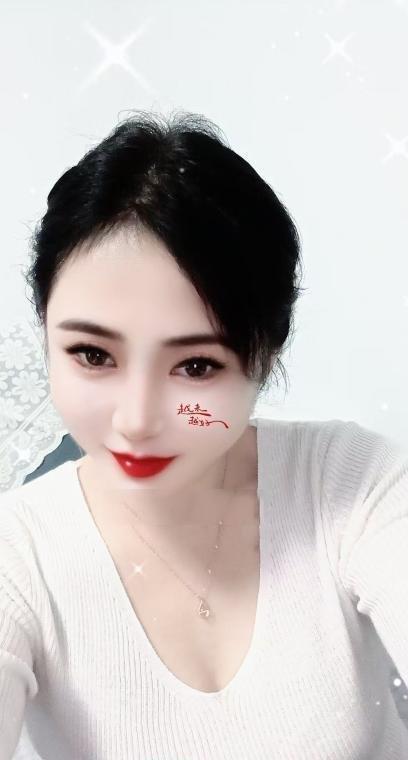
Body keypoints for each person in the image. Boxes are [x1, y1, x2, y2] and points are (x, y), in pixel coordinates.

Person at [0, 110, 407, 759]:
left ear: (264, 356)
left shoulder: (351, 484)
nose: (136, 420)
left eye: (195, 366)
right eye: (93, 355)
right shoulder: (17, 557)